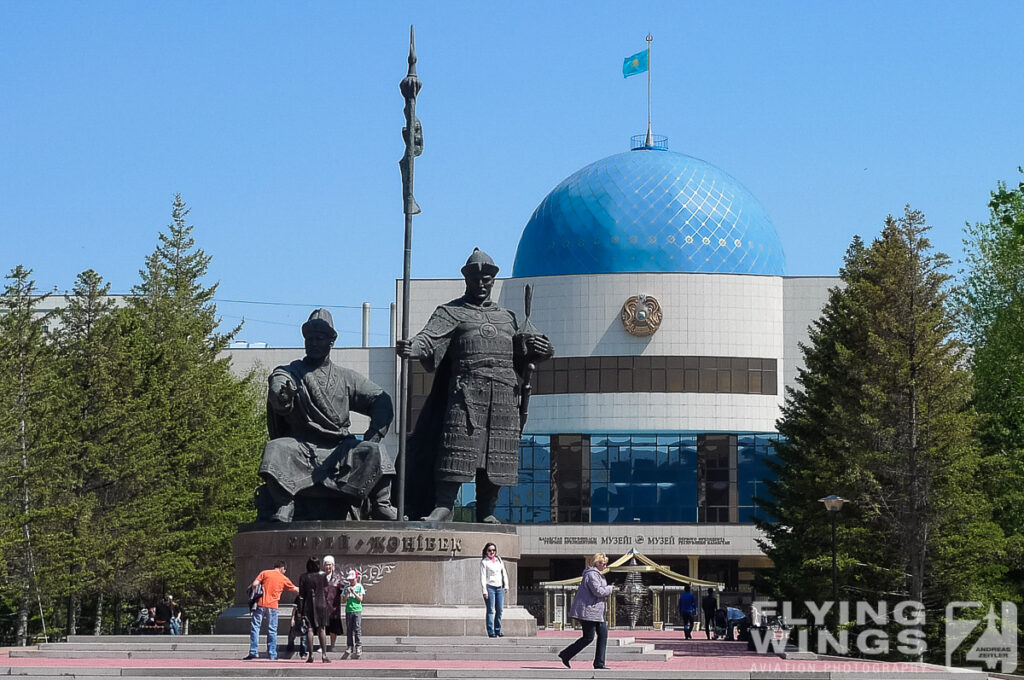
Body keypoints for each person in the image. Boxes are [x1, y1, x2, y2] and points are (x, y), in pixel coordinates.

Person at [397, 248, 553, 522]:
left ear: (493, 281)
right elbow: (429, 338)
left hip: (504, 395)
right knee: (456, 449)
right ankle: (444, 505)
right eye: (475, 280)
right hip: (467, 393)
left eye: (487, 280)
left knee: (497, 453)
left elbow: (525, 351)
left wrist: (541, 347)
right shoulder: (451, 312)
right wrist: (414, 347)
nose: (481, 284)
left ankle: (487, 511)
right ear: (467, 281)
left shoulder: (508, 318)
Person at [256, 308, 397, 522]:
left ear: (331, 342)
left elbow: (381, 400)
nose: (313, 343)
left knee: (375, 450)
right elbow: (279, 386)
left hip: (340, 450)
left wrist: (374, 433)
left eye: (319, 338)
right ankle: (285, 505)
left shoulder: (346, 377)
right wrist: (282, 394)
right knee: (276, 449)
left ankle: (381, 505)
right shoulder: (290, 372)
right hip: (302, 447)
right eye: (309, 338)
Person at [557, 553, 618, 670]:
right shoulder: (591, 575)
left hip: (597, 612)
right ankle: (566, 654)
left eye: (605, 563)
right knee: (588, 637)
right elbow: (598, 591)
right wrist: (610, 589)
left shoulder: (598, 575)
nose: (604, 565)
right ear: (596, 563)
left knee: (603, 635)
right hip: (589, 612)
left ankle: (599, 663)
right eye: (602, 563)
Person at [245, 560, 299, 660]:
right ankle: (272, 653)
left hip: (260, 603)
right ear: (282, 568)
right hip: (273, 605)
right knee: (272, 630)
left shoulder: (264, 573)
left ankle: (253, 651)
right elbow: (295, 589)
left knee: (255, 628)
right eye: (285, 570)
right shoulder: (283, 578)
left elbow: (254, 584)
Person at [298, 557, 330, 663]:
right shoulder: (323, 575)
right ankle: (324, 655)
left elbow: (301, 595)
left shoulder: (303, 577)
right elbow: (326, 590)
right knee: (322, 629)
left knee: (310, 629)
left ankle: (311, 655)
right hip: (321, 604)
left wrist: (300, 610)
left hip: (308, 604)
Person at [480, 542, 509, 638]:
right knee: (491, 610)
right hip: (490, 587)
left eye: (493, 550)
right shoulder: (484, 562)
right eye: (489, 550)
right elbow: (483, 577)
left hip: (499, 587)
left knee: (499, 610)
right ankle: (490, 631)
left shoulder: (499, 560)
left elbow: (503, 572)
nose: (492, 552)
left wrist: (506, 585)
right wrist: (485, 590)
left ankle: (498, 630)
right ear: (486, 551)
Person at [322, 555, 345, 651]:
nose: (328, 567)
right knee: (322, 628)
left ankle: (332, 645)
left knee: (333, 628)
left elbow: (343, 590)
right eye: (326, 565)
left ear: (333, 566)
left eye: (329, 565)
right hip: (322, 606)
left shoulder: (338, 578)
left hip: (334, 608)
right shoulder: (320, 577)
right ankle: (322, 646)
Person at [342, 569, 365, 659]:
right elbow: (343, 600)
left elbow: (360, 599)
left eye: (353, 579)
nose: (351, 581)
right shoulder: (346, 587)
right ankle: (349, 646)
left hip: (357, 610)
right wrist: (347, 593)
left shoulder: (359, 587)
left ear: (356, 578)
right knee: (349, 629)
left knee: (357, 628)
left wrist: (354, 592)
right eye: (350, 579)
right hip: (349, 610)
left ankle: (358, 646)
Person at [285, 594, 308, 659]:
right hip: (297, 618)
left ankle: (303, 653)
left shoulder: (309, 597)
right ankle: (290, 647)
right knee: (291, 635)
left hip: (305, 619)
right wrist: (292, 618)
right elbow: (294, 609)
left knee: (303, 638)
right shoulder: (299, 597)